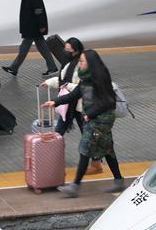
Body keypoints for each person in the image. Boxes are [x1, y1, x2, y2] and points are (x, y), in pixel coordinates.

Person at [41, 50, 126, 198]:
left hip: (101, 119)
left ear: (90, 63)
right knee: (107, 148)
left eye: (82, 61)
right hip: (93, 117)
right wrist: (55, 102)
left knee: (85, 149)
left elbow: (109, 101)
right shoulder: (85, 78)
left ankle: (74, 187)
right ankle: (119, 181)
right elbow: (76, 94)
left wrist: (90, 114)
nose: (79, 64)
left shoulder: (100, 78)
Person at [41, 37, 103, 175]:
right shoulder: (68, 63)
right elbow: (62, 79)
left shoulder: (82, 64)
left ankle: (97, 163)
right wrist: (50, 82)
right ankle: (51, 161)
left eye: (68, 50)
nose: (65, 52)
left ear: (75, 50)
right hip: (68, 105)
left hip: (80, 105)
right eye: (65, 49)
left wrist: (67, 87)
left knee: (87, 134)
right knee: (58, 132)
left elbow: (83, 86)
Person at [2, 0, 58, 77]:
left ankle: (14, 68)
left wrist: (41, 25)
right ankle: (52, 67)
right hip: (32, 26)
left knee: (24, 48)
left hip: (33, 26)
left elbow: (38, 9)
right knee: (42, 48)